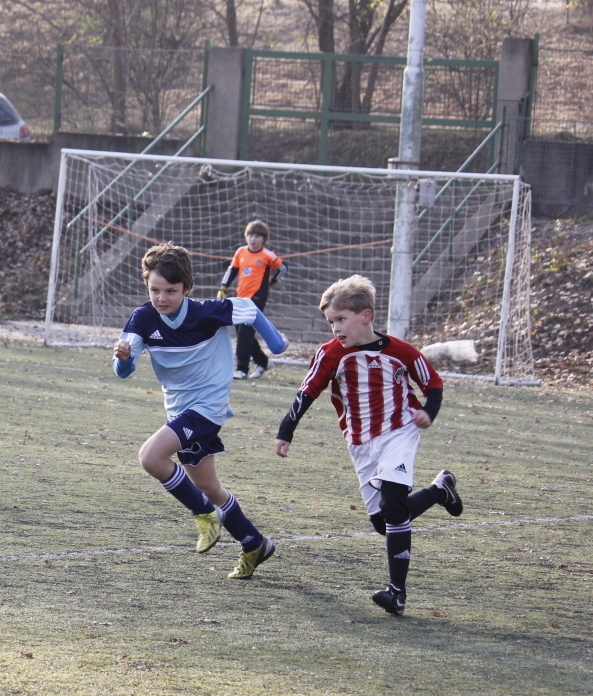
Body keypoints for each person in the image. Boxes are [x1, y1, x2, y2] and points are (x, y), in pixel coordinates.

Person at [274, 275, 464, 616]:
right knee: (383, 521)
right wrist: (286, 429)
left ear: (366, 316)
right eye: (330, 322)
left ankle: (397, 593)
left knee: (393, 504)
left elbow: (433, 384)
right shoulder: (330, 354)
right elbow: (307, 392)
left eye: (341, 319)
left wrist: (429, 412)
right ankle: (440, 490)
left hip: (400, 430)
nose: (335, 328)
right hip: (360, 442)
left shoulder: (401, 351)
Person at [114, 242, 290, 579]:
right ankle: (254, 542)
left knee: (151, 457)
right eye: (155, 290)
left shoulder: (207, 312)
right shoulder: (143, 318)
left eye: (171, 291)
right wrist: (122, 358)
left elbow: (249, 309)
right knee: (210, 488)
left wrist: (277, 344)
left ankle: (204, 516)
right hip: (180, 412)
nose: (162, 297)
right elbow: (124, 369)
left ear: (187, 288)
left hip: (207, 408)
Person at [218, 219, 287, 379]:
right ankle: (263, 361)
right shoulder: (241, 252)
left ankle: (242, 369)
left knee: (245, 332)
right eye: (250, 235)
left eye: (257, 236)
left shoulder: (267, 255)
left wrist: (271, 282)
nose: (253, 239)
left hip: (257, 297)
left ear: (264, 239)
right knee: (242, 331)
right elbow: (232, 270)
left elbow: (283, 268)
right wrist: (223, 287)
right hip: (241, 296)